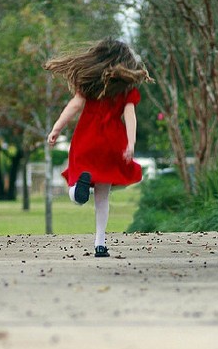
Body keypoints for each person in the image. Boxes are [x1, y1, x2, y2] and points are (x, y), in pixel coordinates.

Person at [45, 38, 153, 257]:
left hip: (87, 139)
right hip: (112, 142)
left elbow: (75, 106)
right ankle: (100, 244)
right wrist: (131, 142)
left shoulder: (89, 83)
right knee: (102, 197)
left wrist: (56, 128)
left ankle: (78, 189)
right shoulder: (125, 88)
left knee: (76, 187)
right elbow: (129, 115)